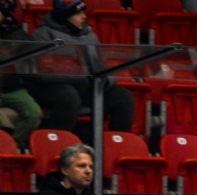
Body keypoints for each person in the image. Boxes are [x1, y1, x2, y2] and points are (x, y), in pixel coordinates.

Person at [30, 0, 134, 135]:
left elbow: (101, 64)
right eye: (78, 13)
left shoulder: (90, 36)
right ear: (65, 16)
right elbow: (44, 70)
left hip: (87, 85)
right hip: (55, 86)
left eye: (83, 12)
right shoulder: (43, 34)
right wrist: (81, 73)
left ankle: (117, 145)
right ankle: (61, 142)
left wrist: (105, 80)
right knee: (69, 96)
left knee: (123, 97)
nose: (84, 17)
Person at [0, 0, 41, 150]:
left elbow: (31, 62)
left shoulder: (19, 36)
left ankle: (13, 145)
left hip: (13, 87)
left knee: (33, 112)